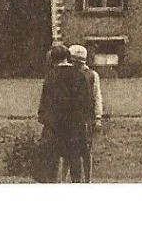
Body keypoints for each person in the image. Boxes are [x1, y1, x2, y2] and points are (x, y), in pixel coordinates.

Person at [36, 43, 92, 182]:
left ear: (52, 60)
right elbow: (87, 101)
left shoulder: (51, 76)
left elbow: (45, 103)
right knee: (75, 158)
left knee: (53, 159)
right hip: (75, 125)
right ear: (67, 58)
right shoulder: (79, 75)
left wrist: (44, 119)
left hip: (56, 126)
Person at [69, 44, 104, 181]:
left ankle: (88, 180)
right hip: (73, 118)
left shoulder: (92, 75)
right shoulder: (71, 75)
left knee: (86, 150)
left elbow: (97, 97)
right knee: (72, 151)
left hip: (86, 118)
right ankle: (70, 179)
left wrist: (98, 117)